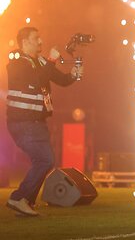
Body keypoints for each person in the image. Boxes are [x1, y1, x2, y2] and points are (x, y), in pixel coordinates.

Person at [5, 27, 83, 216]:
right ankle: (18, 198)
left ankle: (26, 203)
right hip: (23, 122)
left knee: (44, 162)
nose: (40, 41)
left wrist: (73, 74)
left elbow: (61, 80)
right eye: (36, 38)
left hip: (36, 122)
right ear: (25, 42)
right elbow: (34, 80)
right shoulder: (16, 62)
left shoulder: (39, 62)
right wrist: (51, 60)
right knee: (45, 160)